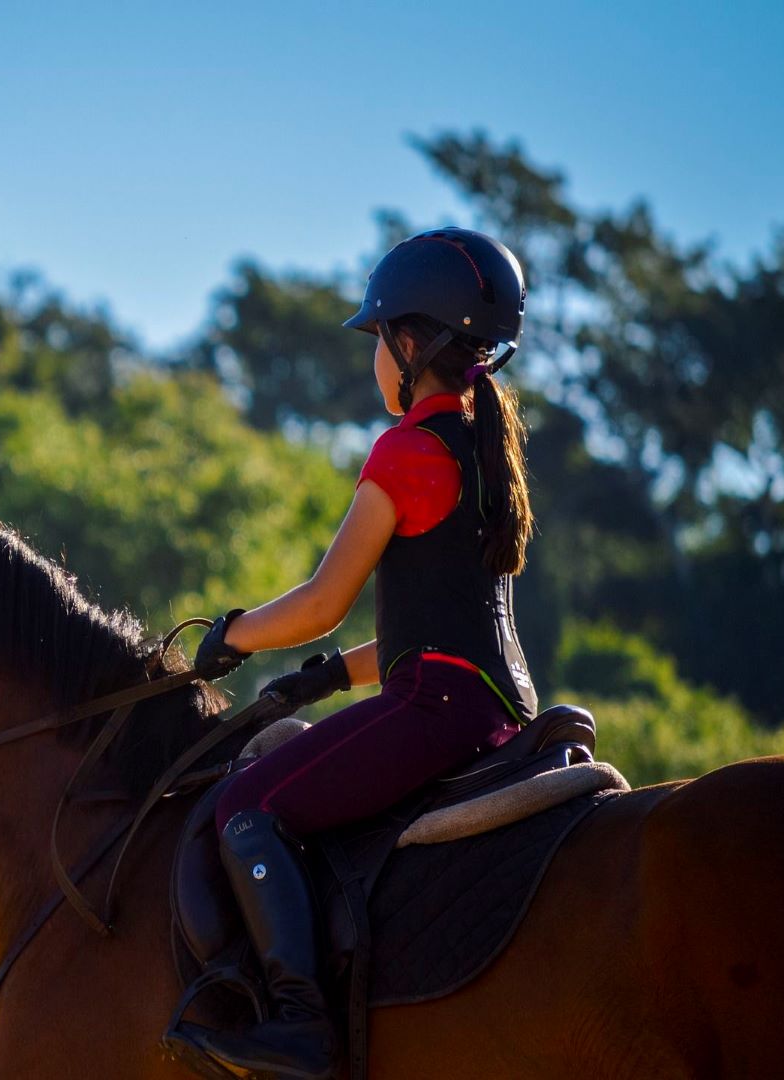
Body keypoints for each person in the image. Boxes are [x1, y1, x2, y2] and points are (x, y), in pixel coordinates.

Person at [170, 227, 539, 1080]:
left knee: (246, 809)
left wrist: (230, 634)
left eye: (378, 339)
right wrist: (335, 675)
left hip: (435, 710)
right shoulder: (487, 449)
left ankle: (302, 1026)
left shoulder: (406, 450)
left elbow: (320, 603)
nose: (375, 358)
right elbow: (444, 625)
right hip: (497, 706)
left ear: (409, 346)